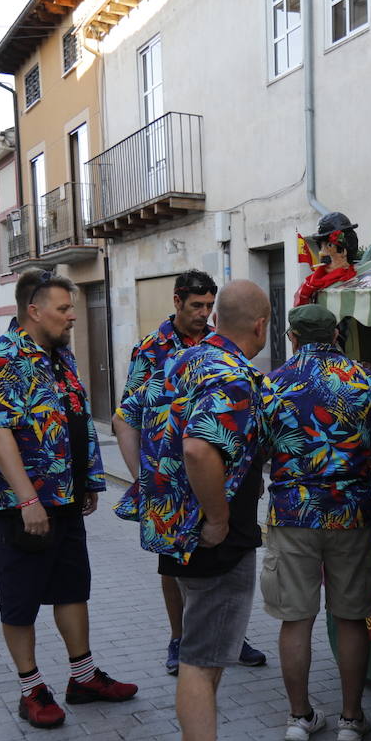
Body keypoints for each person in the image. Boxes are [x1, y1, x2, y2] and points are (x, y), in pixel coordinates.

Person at [132, 280, 276, 741]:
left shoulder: (185, 360)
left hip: (177, 526)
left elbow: (134, 419)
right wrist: (216, 517)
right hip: (214, 533)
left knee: (206, 649)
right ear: (259, 325)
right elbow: (197, 449)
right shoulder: (234, 376)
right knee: (201, 658)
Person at [0, 268, 137, 730]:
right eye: (64, 308)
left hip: (65, 496)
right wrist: (29, 501)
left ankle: (83, 678)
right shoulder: (5, 358)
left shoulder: (60, 357)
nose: (72, 316)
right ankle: (31, 688)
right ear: (34, 310)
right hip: (20, 506)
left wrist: (88, 479)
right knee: (20, 596)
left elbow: (74, 418)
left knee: (72, 587)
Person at [113, 270, 266, 674]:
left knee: (220, 580)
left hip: (216, 481)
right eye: (196, 306)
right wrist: (143, 479)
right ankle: (179, 638)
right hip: (174, 488)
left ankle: (229, 636)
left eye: (209, 307)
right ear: (178, 301)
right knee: (172, 565)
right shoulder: (152, 348)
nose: (203, 314)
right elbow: (128, 414)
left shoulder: (216, 345)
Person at [261, 304, 371, 741]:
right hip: (350, 513)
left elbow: (259, 452)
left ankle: (300, 717)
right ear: (337, 334)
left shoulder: (272, 384)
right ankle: (351, 720)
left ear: (292, 336)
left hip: (292, 513)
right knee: (351, 617)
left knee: (295, 618)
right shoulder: (365, 381)